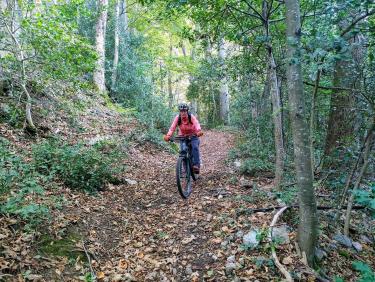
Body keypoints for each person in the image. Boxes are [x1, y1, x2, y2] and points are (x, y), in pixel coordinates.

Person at [163, 103, 203, 174]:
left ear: (187, 111)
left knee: (195, 148)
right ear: (179, 111)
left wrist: (199, 131)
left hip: (194, 135)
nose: (183, 112)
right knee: (183, 151)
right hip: (183, 136)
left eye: (184, 111)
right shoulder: (177, 118)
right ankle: (186, 169)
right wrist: (168, 135)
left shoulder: (191, 117)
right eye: (181, 111)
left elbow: (196, 124)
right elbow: (172, 127)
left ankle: (197, 165)